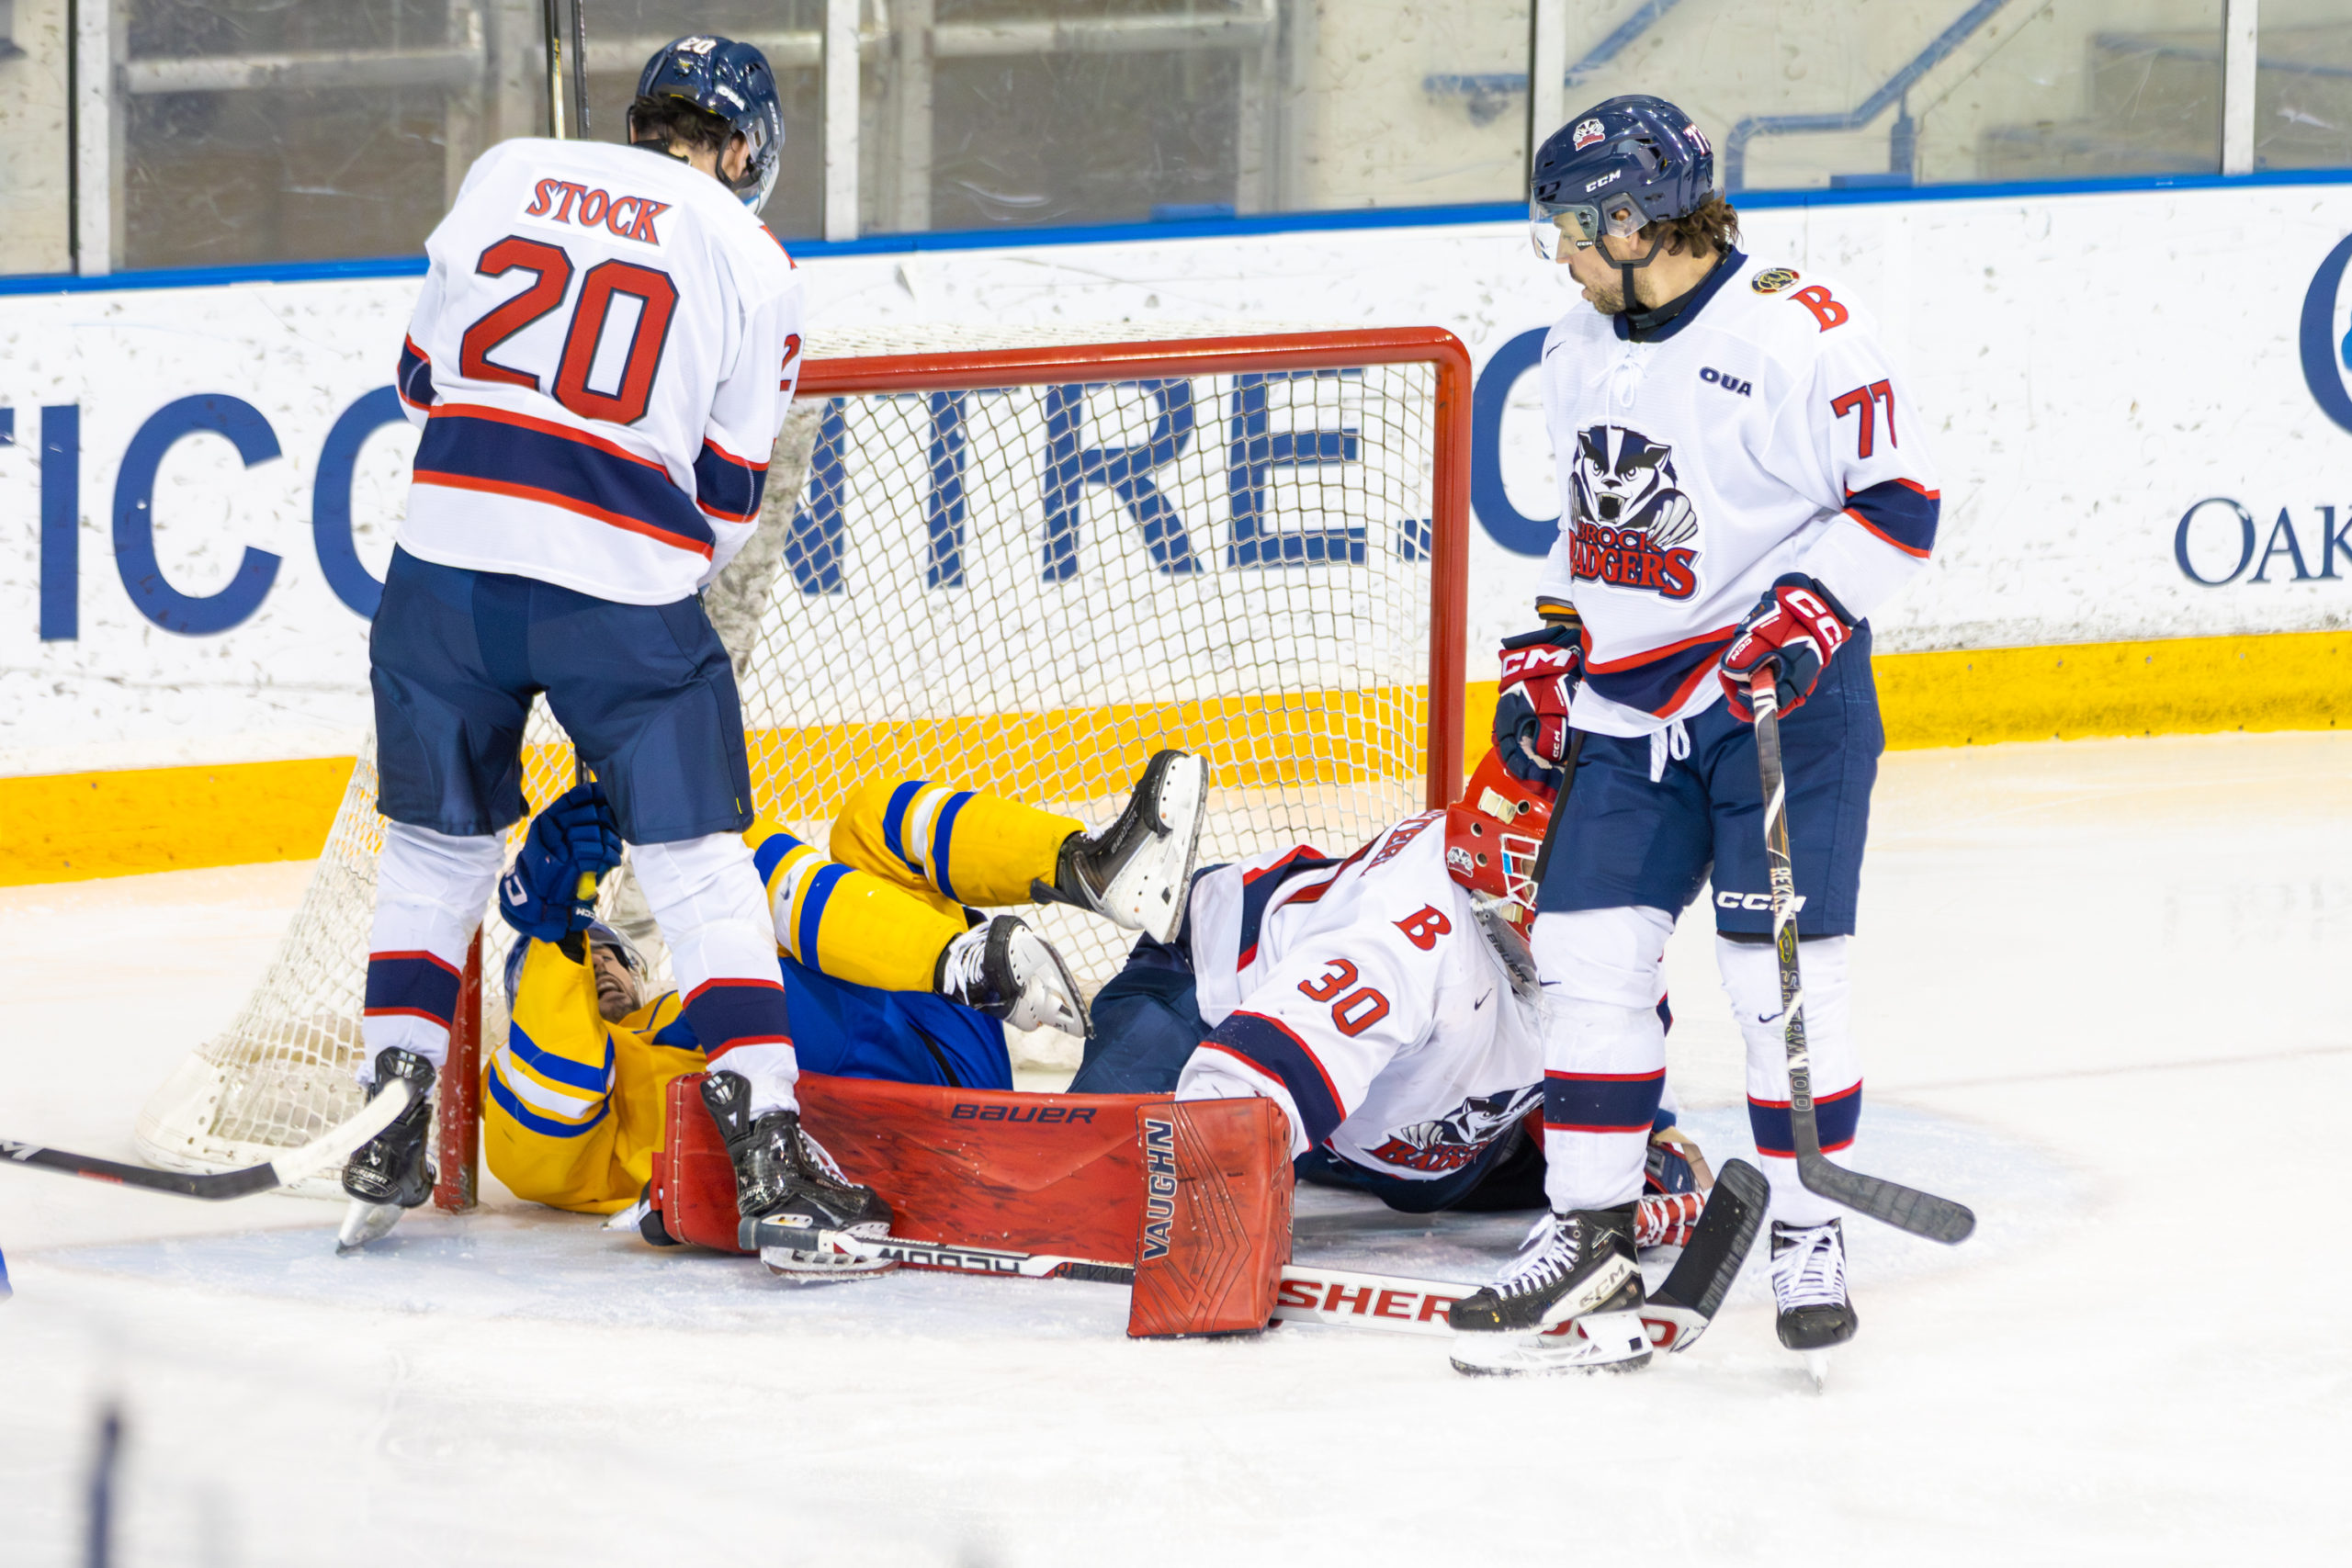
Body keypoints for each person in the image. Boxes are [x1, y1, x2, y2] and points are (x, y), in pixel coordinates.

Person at [1445, 95, 1941, 1375]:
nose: (1556, 247)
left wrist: (1808, 611)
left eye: (1567, 222)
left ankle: (1810, 1225)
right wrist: (1553, 644)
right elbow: (1585, 535)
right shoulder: (1571, 343)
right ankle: (1589, 1222)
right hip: (1627, 709)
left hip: (1781, 707)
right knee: (1585, 962)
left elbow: (1900, 502)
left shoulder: (1801, 331)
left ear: (1632, 216)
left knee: (1778, 982)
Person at [345, 36, 850, 1258]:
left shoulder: (508, 167)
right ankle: (772, 1156)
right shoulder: (753, 257)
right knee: (697, 865)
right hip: (614, 592)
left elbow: (422, 380)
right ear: (742, 147)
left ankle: (390, 1112)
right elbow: (726, 501)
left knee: (432, 850)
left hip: (444, 567)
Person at [481, 751, 1208, 1274]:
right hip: (863, 1128)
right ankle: (964, 961)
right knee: (739, 863)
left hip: (936, 1046)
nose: (601, 965)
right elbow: (558, 1092)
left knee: (867, 818)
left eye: (611, 954)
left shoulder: (695, 995)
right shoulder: (532, 1098)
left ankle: (1089, 866)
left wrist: (570, 935)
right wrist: (557, 934)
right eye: (588, 964)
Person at [1074, 749, 1710, 1224]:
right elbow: (1237, 1090)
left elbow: (1616, 1070)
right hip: (1211, 999)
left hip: (1394, 1105)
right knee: (1104, 1192)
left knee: (1475, 1167)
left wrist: (1650, 1144)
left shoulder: (1599, 940)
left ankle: (1318, 1133)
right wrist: (1210, 1217)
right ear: (1509, 854)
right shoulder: (1409, 935)